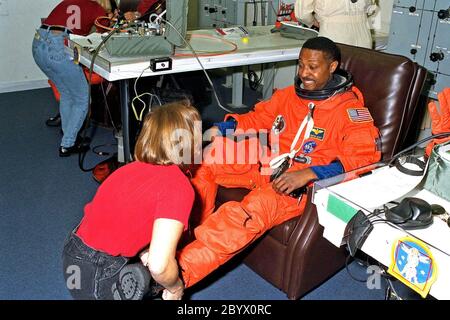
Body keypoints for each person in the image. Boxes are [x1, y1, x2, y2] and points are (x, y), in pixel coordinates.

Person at [175, 37, 382, 289]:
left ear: (332, 67)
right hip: (268, 162)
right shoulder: (288, 96)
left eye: (313, 67)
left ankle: (179, 273)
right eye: (301, 65)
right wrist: (223, 127)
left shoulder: (350, 112)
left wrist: (309, 173)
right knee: (207, 160)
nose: (304, 73)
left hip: (300, 184)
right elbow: (257, 119)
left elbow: (363, 159)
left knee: (249, 211)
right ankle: (179, 237)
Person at [62, 101, 200, 300]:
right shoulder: (178, 186)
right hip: (100, 271)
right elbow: (160, 264)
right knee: (164, 271)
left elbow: (126, 218)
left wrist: (145, 251)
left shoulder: (127, 169)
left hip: (73, 255)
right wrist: (176, 287)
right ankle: (136, 281)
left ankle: (138, 276)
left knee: (149, 268)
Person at [32, 0, 111, 157]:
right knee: (82, 99)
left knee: (67, 93)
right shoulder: (96, 7)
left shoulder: (68, 1)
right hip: (59, 47)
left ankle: (68, 132)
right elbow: (106, 34)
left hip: (38, 43)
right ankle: (68, 144)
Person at [294, 0, 377, 49]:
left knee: (334, 76)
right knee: (362, 75)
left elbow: (302, 14)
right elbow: (371, 8)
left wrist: (313, 22)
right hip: (363, 33)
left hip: (333, 32)